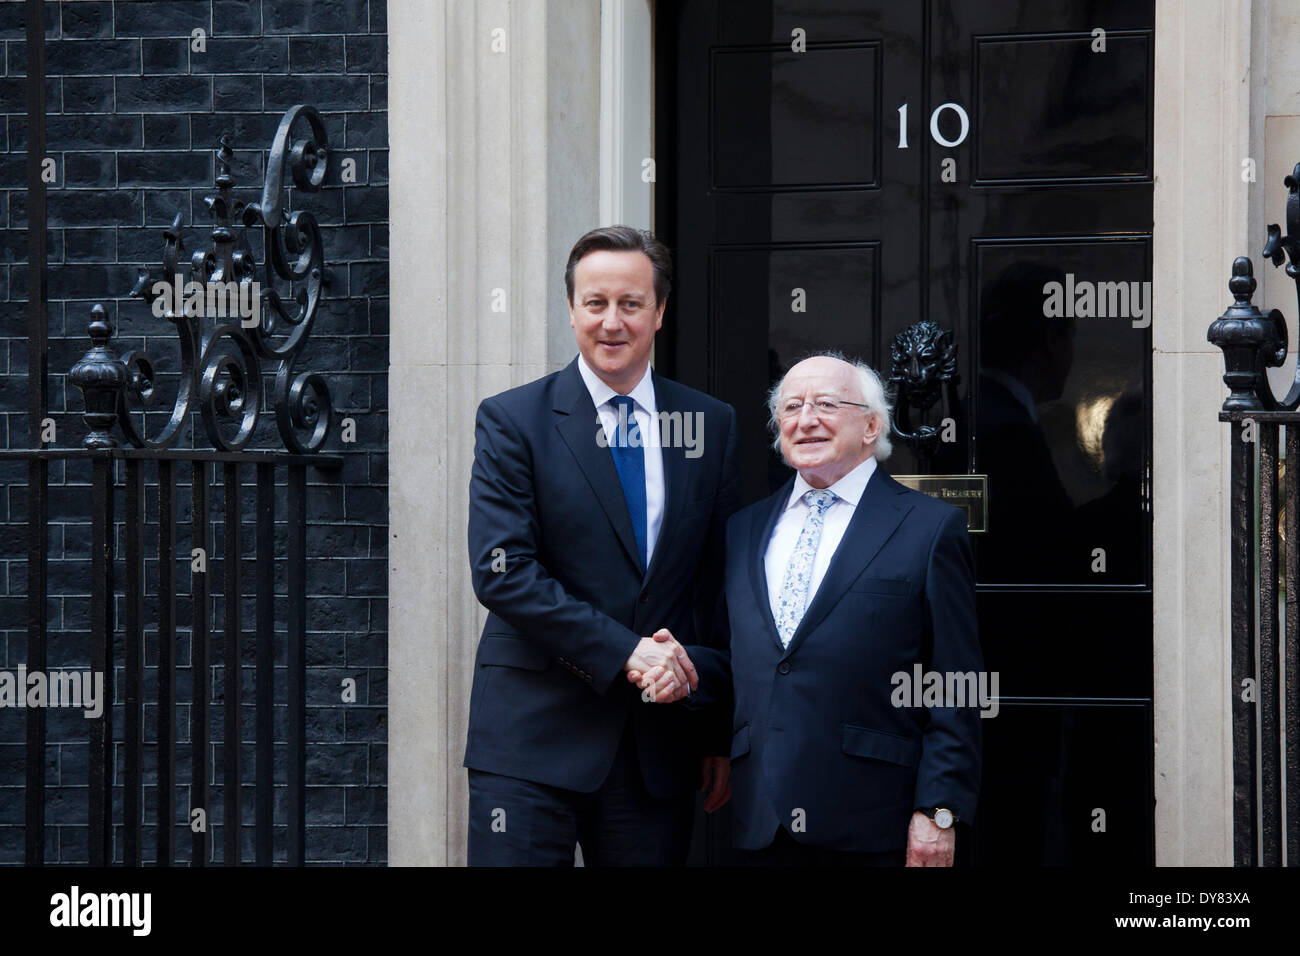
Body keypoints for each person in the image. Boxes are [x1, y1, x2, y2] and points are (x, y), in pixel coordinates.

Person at [464, 225, 740, 866]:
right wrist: (629, 652)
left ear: (660, 311)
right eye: (595, 303)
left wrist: (716, 727)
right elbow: (503, 573)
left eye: (631, 303)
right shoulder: (513, 421)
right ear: (571, 309)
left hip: (656, 752)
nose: (611, 322)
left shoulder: (711, 424)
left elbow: (714, 587)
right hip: (531, 745)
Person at [655, 352, 982, 865]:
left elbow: (957, 682)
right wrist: (686, 668)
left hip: (878, 823)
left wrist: (940, 810)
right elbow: (739, 660)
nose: (805, 420)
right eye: (790, 408)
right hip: (761, 821)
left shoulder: (929, 527)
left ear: (872, 425)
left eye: (826, 404)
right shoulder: (744, 530)